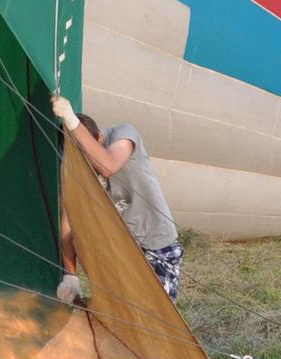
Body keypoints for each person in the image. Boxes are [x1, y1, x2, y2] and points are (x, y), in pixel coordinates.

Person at [48, 97, 182, 302]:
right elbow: (68, 220)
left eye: (87, 156)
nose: (88, 167)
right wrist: (70, 275)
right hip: (121, 250)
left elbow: (108, 166)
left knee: (157, 316)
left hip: (157, 245)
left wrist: (71, 120)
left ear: (100, 136)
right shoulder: (75, 167)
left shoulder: (123, 134)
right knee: (122, 312)